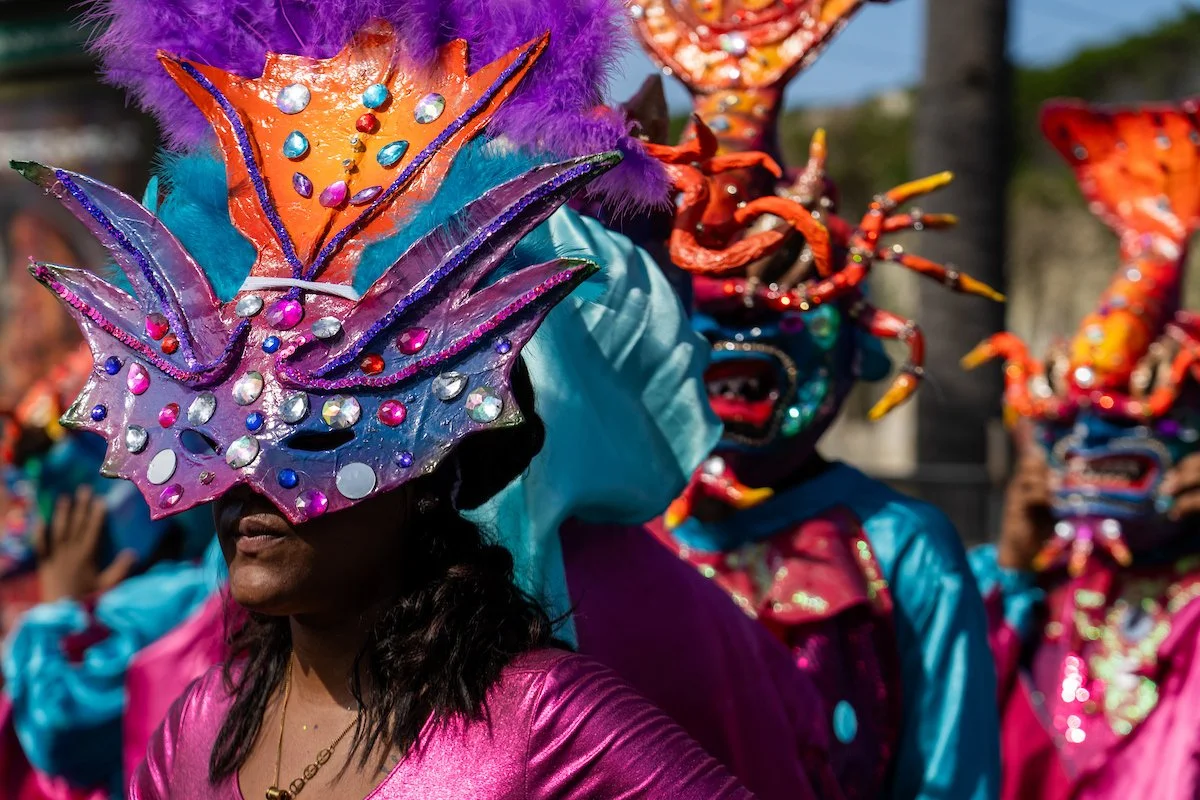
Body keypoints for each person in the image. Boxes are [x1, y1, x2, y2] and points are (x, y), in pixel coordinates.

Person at [22, 7, 760, 797]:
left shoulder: (545, 721)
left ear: (426, 472)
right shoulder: (200, 724)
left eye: (310, 437)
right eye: (220, 438)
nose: (246, 482)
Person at [626, 2, 1004, 797]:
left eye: (782, 294)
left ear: (859, 343)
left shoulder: (902, 549)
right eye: (695, 309)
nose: (728, 336)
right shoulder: (613, 533)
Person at [967, 98, 1200, 799]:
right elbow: (943, 728)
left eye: (1135, 415)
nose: (1093, 440)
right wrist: (1013, 570)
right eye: (1067, 421)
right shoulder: (1032, 590)